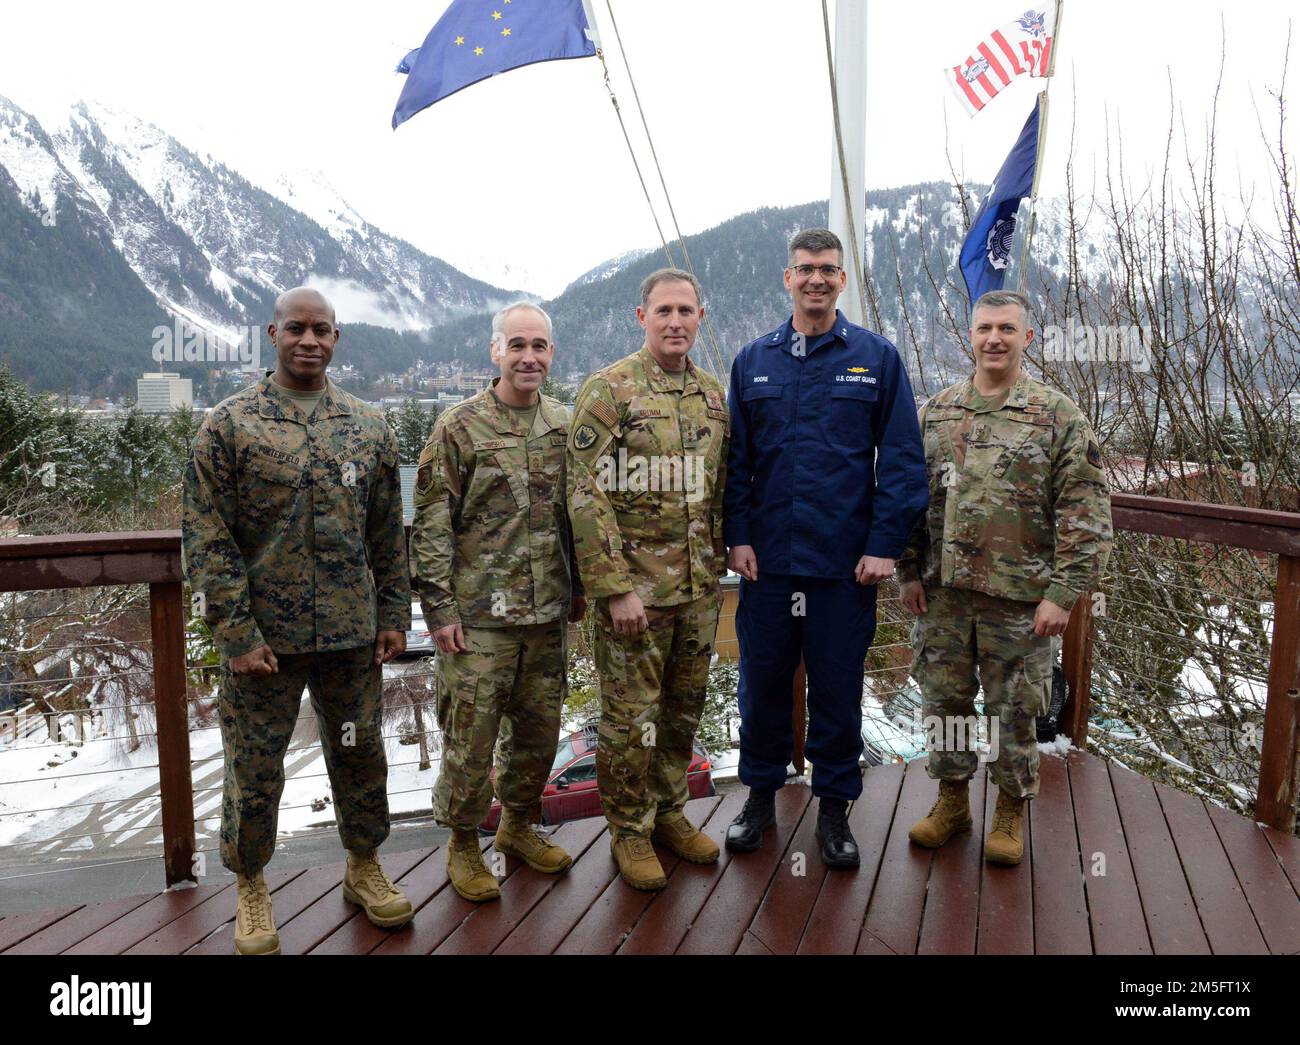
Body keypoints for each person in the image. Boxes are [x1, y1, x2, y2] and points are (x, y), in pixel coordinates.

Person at [183, 287, 413, 955]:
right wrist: (236, 634)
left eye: (321, 329)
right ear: (272, 333)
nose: (308, 340)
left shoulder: (370, 427)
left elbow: (385, 533)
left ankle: (363, 864)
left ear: (336, 338)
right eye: (296, 328)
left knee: (359, 753)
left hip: (350, 637)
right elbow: (207, 539)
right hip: (265, 647)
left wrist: (393, 613)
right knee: (255, 769)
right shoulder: (228, 426)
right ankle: (251, 884)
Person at [723, 229, 929, 868]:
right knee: (760, 686)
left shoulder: (876, 359)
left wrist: (884, 545)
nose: (816, 279)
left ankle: (835, 809)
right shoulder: (753, 361)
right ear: (787, 278)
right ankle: (759, 795)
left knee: (838, 690)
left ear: (842, 280)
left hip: (845, 569)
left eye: (828, 270)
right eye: (805, 269)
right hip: (770, 567)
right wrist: (737, 535)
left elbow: (900, 461)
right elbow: (737, 462)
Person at [899, 289, 1113, 865]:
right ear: (969, 336)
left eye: (1007, 329)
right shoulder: (937, 412)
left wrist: (1064, 594)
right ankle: (951, 802)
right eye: (985, 328)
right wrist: (907, 572)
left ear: (1027, 338)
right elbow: (906, 499)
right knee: (944, 705)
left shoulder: (1056, 415)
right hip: (942, 595)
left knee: (1014, 711)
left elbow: (1086, 513)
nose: (994, 338)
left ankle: (1011, 812)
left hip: (1021, 601)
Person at [410, 301, 585, 902]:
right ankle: (463, 843)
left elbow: (580, 518)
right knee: (471, 737)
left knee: (539, 733)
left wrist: (581, 590)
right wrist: (439, 610)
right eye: (517, 345)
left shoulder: (566, 426)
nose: (528, 356)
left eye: (539, 346)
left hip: (547, 616)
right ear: (495, 352)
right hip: (479, 620)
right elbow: (431, 523)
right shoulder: (460, 428)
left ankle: (516, 827)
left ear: (551, 353)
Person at [567, 268, 729, 890]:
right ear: (642, 317)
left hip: (697, 593)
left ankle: (668, 814)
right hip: (635, 596)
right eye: (663, 310)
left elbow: (720, 490)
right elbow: (583, 491)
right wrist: (614, 587)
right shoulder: (610, 391)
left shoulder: (713, 396)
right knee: (630, 721)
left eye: (686, 310)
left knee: (683, 711)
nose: (675, 321)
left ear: (700, 317)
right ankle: (628, 831)